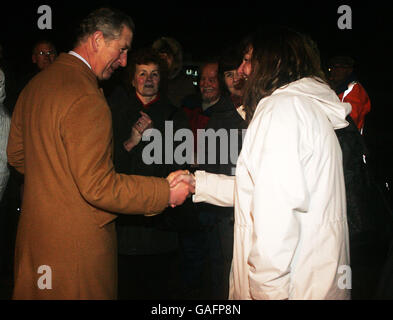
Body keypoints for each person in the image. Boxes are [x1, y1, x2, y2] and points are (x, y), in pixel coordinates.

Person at [6, 7, 189, 300]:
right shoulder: (87, 97)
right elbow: (98, 186)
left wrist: (57, 181)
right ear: (97, 40)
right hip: (76, 254)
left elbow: (16, 156)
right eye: (122, 49)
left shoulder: (36, 85)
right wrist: (163, 193)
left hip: (35, 243)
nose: (124, 61)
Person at [170, 26, 351, 300]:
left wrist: (266, 294)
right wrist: (199, 183)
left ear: (274, 62)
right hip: (311, 282)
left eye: (248, 60)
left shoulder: (280, 111)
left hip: (293, 288)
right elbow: (262, 191)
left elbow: (275, 222)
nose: (241, 70)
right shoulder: (303, 107)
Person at [106, 47, 190, 299]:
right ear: (132, 78)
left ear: (161, 80)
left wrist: (157, 139)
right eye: (142, 74)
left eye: (154, 74)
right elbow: (104, 169)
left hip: (160, 230)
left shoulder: (175, 117)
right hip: (123, 226)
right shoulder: (113, 114)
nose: (149, 79)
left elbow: (179, 171)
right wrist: (131, 142)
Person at [178, 60, 246, 299]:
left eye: (212, 79)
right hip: (199, 196)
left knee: (226, 262)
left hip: (230, 204)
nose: (206, 84)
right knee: (201, 258)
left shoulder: (252, 111)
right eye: (203, 79)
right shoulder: (189, 108)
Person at [328, 55, 371, 133]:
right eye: (333, 68)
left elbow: (350, 120)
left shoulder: (355, 89)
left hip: (348, 139)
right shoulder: (331, 87)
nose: (335, 71)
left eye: (340, 68)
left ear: (349, 70)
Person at [152, 37, 196, 107]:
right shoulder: (151, 80)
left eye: (168, 57)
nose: (164, 61)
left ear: (175, 59)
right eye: (161, 57)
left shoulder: (185, 82)